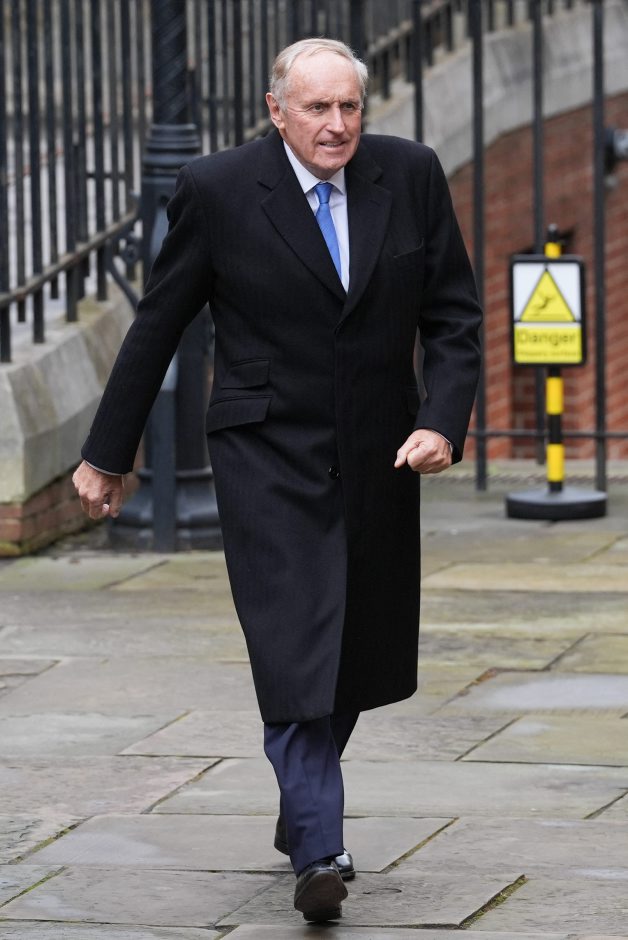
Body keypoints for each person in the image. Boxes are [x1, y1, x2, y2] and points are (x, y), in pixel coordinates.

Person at [73, 37, 482, 922]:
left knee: (355, 653)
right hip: (265, 454)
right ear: (276, 110)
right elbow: (158, 324)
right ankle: (320, 848)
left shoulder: (409, 175)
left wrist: (442, 420)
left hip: (379, 453)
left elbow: (454, 315)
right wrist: (107, 454)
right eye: (317, 108)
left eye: (349, 107)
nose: (337, 125)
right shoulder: (219, 189)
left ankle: (302, 810)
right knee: (296, 642)